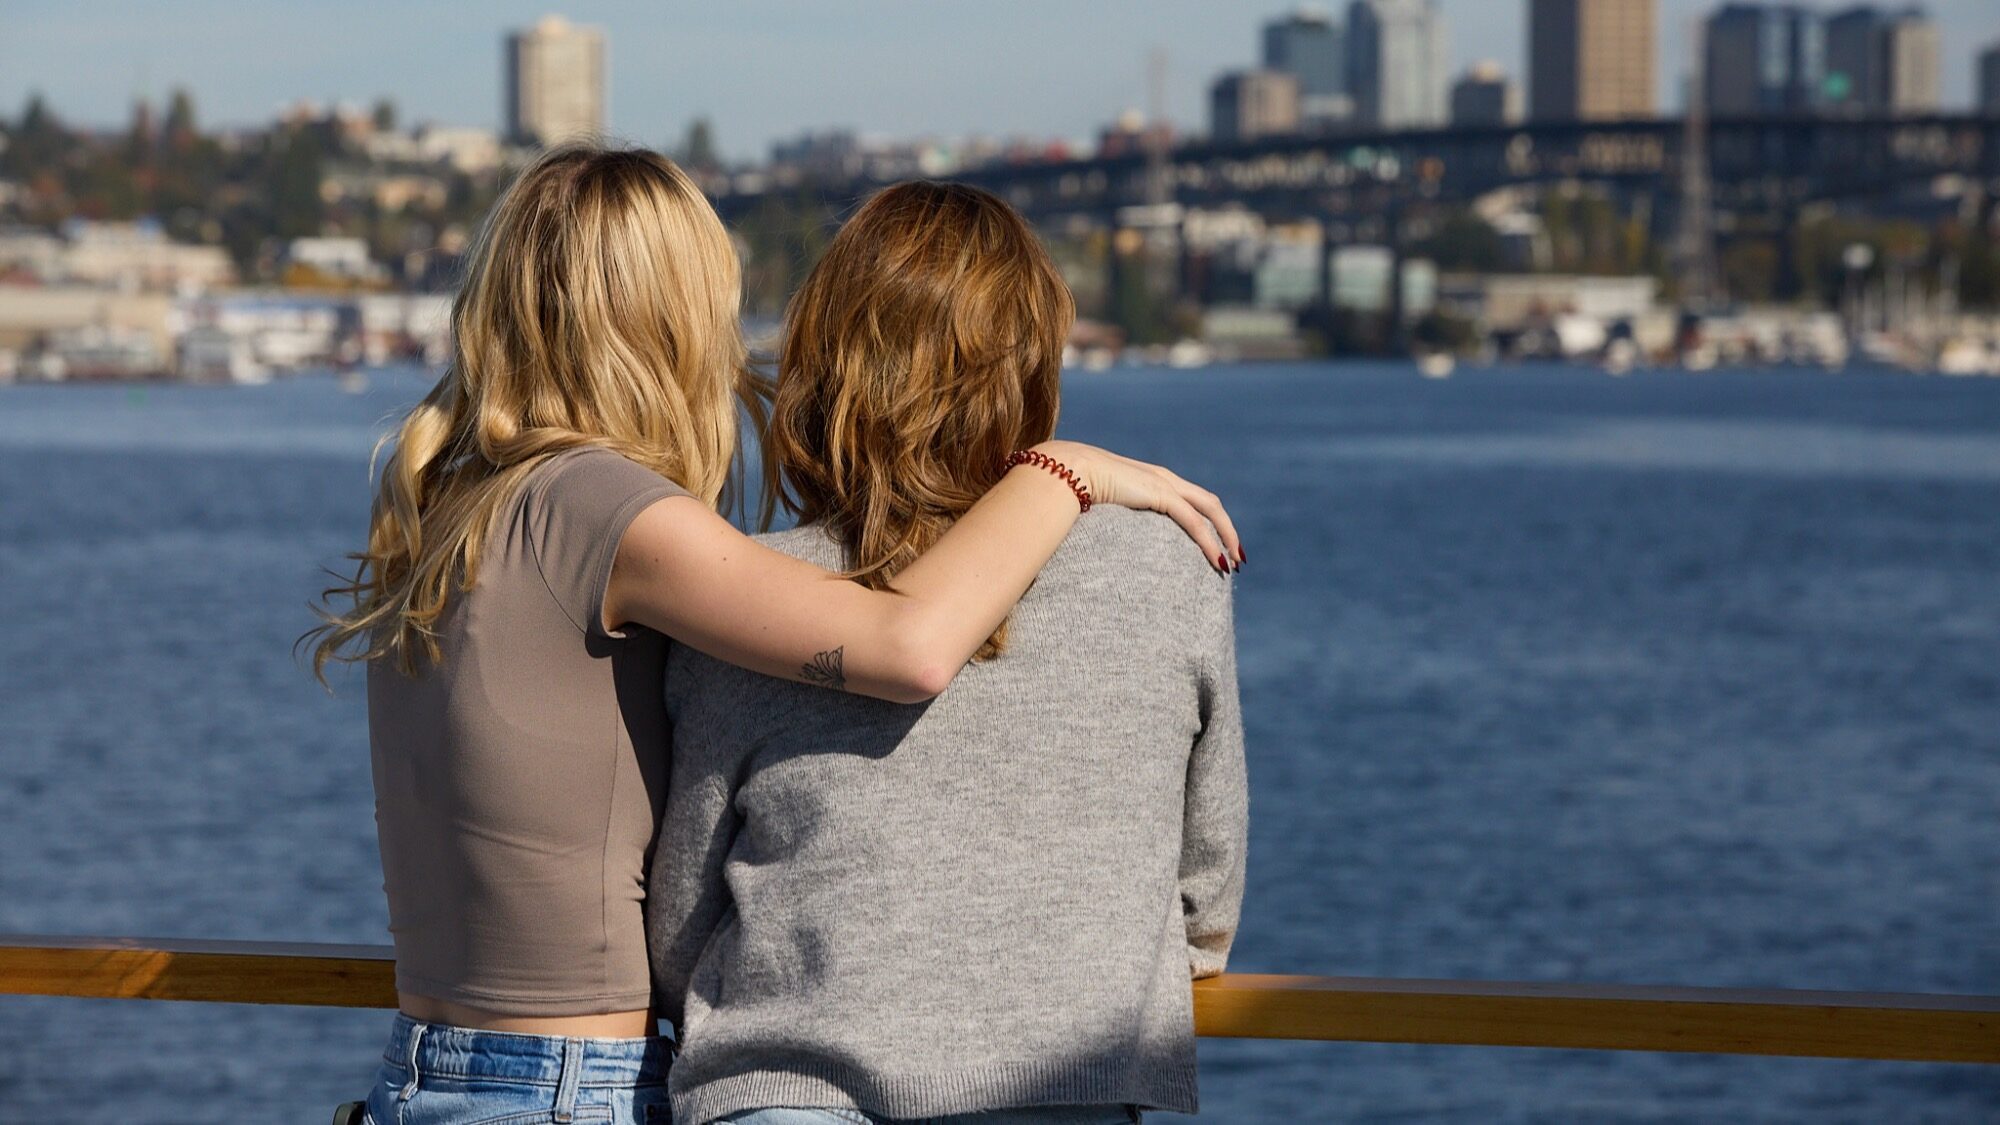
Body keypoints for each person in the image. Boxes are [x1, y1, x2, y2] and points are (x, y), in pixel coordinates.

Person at [308, 148, 1242, 1125]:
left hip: (422, 1076)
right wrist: (1058, 472)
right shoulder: (615, 515)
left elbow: (678, 901)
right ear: (668, 318)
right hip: (560, 1093)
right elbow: (909, 647)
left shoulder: (444, 499)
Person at [647, 181, 1249, 1125]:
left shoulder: (752, 595)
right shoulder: (1172, 570)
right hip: (1070, 1094)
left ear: (828, 366)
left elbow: (680, 925)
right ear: (1035, 367)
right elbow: (1205, 903)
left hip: (792, 1096)